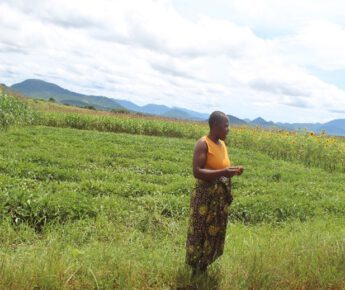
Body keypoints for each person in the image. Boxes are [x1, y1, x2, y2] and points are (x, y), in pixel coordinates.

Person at [185, 111, 244, 276]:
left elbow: (220, 168)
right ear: (215, 126)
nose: (228, 129)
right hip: (205, 197)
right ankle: (195, 269)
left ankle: (204, 266)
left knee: (214, 231)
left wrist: (230, 171)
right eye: (226, 125)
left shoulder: (222, 144)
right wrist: (224, 172)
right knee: (200, 231)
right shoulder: (203, 144)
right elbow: (197, 172)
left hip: (218, 198)